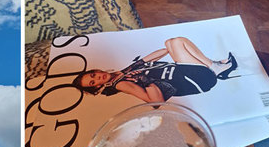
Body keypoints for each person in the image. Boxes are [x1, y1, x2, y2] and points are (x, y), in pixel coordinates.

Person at [72, 37, 238, 103]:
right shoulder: (121, 84)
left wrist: (169, 50)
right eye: (94, 82)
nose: (98, 78)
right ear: (97, 88)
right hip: (193, 81)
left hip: (189, 73)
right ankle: (216, 68)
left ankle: (215, 67)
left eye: (93, 74)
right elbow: (155, 103)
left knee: (170, 42)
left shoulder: (125, 72)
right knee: (178, 42)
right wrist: (146, 82)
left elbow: (157, 54)